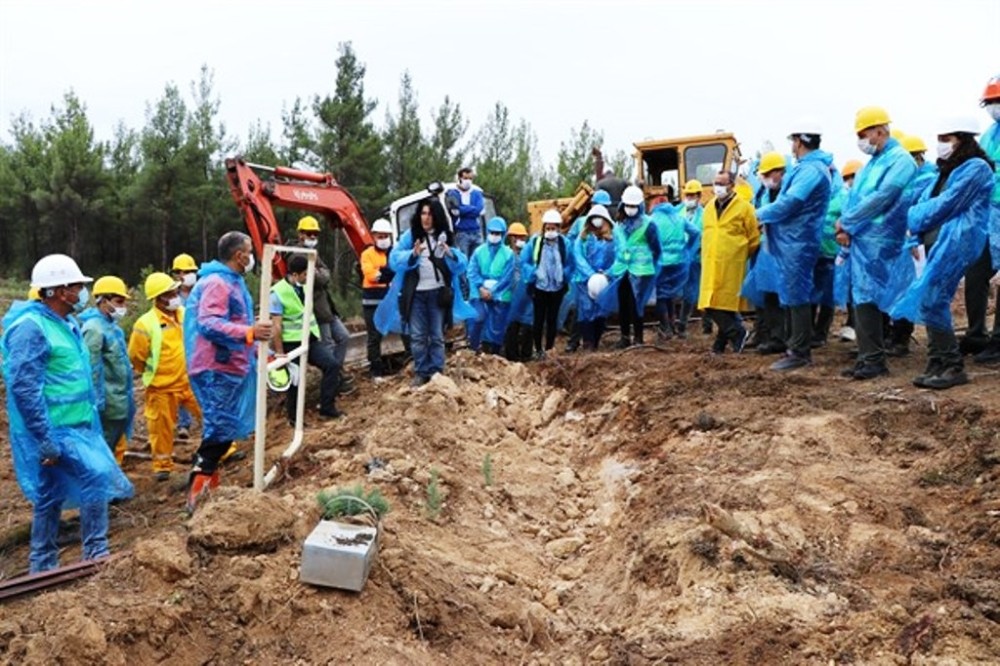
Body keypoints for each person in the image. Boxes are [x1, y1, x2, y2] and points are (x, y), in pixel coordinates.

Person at [1, 254, 132, 573]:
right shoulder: (30, 328)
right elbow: (24, 388)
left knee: (51, 493)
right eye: (77, 286)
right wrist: (44, 438)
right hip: (53, 429)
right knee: (97, 475)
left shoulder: (67, 324)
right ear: (60, 291)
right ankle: (95, 555)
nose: (81, 292)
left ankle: (42, 564)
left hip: (77, 425)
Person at [890, 117, 994, 389]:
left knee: (935, 299)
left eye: (946, 139)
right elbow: (924, 203)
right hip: (933, 242)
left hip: (958, 241)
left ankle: (952, 364)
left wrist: (914, 218)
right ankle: (937, 360)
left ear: (963, 139)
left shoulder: (977, 168)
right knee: (928, 299)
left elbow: (944, 206)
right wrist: (916, 222)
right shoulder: (945, 171)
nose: (940, 145)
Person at [184, 232, 273, 513]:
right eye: (249, 251)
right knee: (219, 432)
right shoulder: (218, 283)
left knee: (221, 432)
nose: (252, 257)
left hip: (229, 366)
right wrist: (249, 332)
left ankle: (207, 492)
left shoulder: (234, 283)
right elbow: (209, 323)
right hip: (216, 368)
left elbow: (241, 327)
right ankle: (196, 499)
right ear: (239, 256)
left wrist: (264, 352)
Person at [836, 106, 916, 380]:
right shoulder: (873, 164)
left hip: (884, 240)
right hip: (864, 239)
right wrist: (847, 226)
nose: (861, 140)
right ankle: (868, 356)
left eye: (864, 133)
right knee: (862, 298)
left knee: (873, 298)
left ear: (880, 130)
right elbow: (858, 199)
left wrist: (848, 221)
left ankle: (875, 358)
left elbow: (884, 196)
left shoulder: (900, 160)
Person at [757, 123, 834, 371]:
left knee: (798, 293)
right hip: (791, 240)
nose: (792, 147)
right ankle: (793, 346)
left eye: (793, 141)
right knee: (790, 293)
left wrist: (756, 214)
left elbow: (789, 203)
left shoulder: (812, 170)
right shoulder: (804, 169)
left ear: (799, 142)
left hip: (800, 241)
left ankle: (800, 351)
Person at [374, 198, 475, 385]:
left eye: (429, 214)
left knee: (436, 335)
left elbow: (461, 264)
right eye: (423, 213)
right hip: (416, 295)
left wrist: (449, 253)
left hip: (437, 294)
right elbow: (394, 259)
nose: (426, 218)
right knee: (418, 336)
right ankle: (421, 372)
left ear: (436, 216)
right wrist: (412, 254)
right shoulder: (411, 236)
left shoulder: (444, 236)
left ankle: (436, 371)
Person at [129, 272, 202, 481]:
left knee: (210, 413)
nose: (174, 296)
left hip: (189, 380)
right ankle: (162, 465)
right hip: (161, 386)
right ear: (159, 297)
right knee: (161, 428)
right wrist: (152, 372)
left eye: (174, 291)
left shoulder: (184, 313)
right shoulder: (146, 324)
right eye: (170, 293)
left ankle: (225, 449)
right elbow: (136, 356)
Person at [884, 135, 940, 357]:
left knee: (911, 289)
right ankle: (895, 335)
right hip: (902, 244)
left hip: (918, 244)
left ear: (917, 157)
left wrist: (913, 238)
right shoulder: (909, 181)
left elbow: (922, 214)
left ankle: (901, 338)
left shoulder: (928, 180)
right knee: (898, 289)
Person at [270, 254, 343, 421]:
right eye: (305, 274)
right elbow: (277, 325)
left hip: (309, 340)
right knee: (295, 381)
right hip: (291, 345)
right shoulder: (277, 293)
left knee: (332, 365)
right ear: (295, 275)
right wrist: (280, 352)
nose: (308, 277)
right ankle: (294, 419)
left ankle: (327, 408)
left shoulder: (303, 287)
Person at [291, 215, 355, 395]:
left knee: (343, 336)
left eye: (315, 233)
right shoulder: (297, 255)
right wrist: (319, 273)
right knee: (327, 346)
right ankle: (334, 381)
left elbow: (324, 274)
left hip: (326, 308)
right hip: (316, 311)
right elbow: (319, 278)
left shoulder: (313, 254)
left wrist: (320, 273)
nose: (312, 237)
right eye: (309, 233)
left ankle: (336, 374)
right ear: (300, 234)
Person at [699, 171, 761, 353]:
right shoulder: (709, 207)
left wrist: (738, 253)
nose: (717, 186)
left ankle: (736, 334)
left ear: (732, 185)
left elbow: (754, 238)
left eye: (722, 183)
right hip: (711, 262)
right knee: (712, 304)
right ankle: (726, 340)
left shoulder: (745, 208)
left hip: (732, 263)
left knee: (722, 304)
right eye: (715, 182)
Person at [80, 276, 136, 465]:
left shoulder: (112, 327)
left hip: (120, 400)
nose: (123, 307)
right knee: (101, 448)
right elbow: (92, 369)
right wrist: (97, 401)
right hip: (108, 403)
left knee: (110, 446)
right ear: (103, 301)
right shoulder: (94, 329)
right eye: (119, 302)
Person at [966, 75, 1000, 363]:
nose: (994, 107)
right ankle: (976, 334)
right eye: (990, 103)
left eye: (997, 102)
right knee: (976, 273)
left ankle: (999, 341)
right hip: (986, 215)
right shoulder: (990, 134)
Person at [603, 185, 662, 347]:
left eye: (633, 206)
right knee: (623, 303)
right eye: (628, 205)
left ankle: (638, 337)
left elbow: (656, 247)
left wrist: (652, 263)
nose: (630, 209)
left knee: (637, 304)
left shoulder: (648, 224)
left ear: (640, 206)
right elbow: (617, 249)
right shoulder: (619, 225)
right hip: (622, 270)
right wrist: (610, 271)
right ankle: (624, 337)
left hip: (641, 271)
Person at [744, 152, 788, 355]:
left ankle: (780, 338)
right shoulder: (763, 192)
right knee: (765, 293)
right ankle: (764, 333)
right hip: (765, 247)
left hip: (783, 250)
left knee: (781, 296)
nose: (766, 177)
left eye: (769, 173)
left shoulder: (788, 192)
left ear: (780, 172)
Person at [523, 209, 572, 358]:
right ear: (544, 227)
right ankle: (538, 349)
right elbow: (525, 261)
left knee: (552, 319)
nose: (550, 231)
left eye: (553, 228)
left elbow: (571, 263)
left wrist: (565, 275)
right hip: (540, 287)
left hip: (557, 287)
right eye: (548, 228)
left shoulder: (565, 243)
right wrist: (533, 273)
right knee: (538, 319)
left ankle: (549, 348)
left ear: (558, 228)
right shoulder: (535, 242)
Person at [468, 217, 516, 355]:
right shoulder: (479, 251)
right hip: (479, 291)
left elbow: (507, 278)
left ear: (503, 234)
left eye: (498, 233)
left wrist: (493, 292)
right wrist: (481, 288)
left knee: (498, 323)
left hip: (500, 293)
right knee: (478, 317)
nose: (494, 236)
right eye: (492, 232)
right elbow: (472, 271)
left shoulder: (508, 254)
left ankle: (494, 351)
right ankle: (474, 347)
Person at [573, 204, 617, 350]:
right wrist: (590, 274)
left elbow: (619, 256)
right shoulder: (584, 237)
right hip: (584, 280)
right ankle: (587, 343)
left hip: (605, 280)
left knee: (601, 311)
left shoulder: (614, 237)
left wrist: (608, 273)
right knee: (586, 311)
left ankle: (596, 342)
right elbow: (578, 255)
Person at [650, 196, 690, 340]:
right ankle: (672, 326)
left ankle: (665, 327)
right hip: (679, 262)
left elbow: (649, 241)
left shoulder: (653, 219)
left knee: (661, 296)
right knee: (671, 295)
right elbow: (696, 232)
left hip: (661, 263)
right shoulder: (678, 218)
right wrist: (689, 250)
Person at [831, 160, 863, 342]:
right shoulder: (849, 196)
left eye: (852, 177)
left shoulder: (858, 196)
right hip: (848, 249)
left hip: (861, 249)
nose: (849, 181)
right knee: (851, 289)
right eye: (847, 178)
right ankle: (853, 324)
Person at [360, 218, 395, 377]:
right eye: (380, 236)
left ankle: (410, 359)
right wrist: (387, 274)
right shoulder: (367, 254)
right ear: (374, 236)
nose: (383, 239)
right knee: (374, 336)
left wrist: (383, 273)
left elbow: (398, 271)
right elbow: (370, 275)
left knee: (405, 329)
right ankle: (376, 370)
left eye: (385, 236)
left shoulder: (394, 253)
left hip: (390, 300)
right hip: (372, 302)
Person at [171, 253, 199, 440]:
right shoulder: (174, 298)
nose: (190, 274)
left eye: (192, 271)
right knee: (181, 386)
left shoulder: (200, 292)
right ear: (177, 274)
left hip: (199, 344)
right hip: (179, 345)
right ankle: (183, 424)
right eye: (186, 271)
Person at [677, 179, 705, 338]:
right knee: (674, 292)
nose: (689, 198)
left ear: (699, 196)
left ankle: (686, 325)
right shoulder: (676, 211)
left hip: (695, 258)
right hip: (678, 257)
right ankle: (674, 325)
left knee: (693, 292)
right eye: (687, 194)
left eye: (692, 195)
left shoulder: (705, 214)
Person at [503, 222, 535, 361]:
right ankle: (512, 356)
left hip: (528, 295)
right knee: (512, 325)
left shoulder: (530, 255)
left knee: (529, 324)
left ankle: (526, 355)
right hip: (512, 296)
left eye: (521, 237)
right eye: (515, 237)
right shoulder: (507, 255)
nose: (518, 240)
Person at [447, 166, 485, 260]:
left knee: (477, 262)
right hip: (461, 233)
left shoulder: (477, 193)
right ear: (460, 178)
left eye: (470, 178)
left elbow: (478, 210)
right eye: (465, 178)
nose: (468, 181)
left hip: (477, 232)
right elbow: (455, 211)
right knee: (463, 261)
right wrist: (472, 208)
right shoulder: (453, 193)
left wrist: (462, 209)